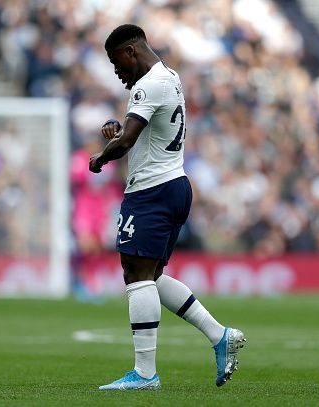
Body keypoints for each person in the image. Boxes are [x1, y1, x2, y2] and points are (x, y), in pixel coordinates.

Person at [89, 24, 246, 390]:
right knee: (150, 276)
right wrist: (120, 130)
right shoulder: (170, 77)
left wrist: (99, 159)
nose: (117, 72)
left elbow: (127, 140)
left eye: (117, 63)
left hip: (152, 191)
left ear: (130, 52)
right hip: (174, 184)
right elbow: (139, 129)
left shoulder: (148, 85)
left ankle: (145, 374)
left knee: (136, 275)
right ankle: (220, 336)